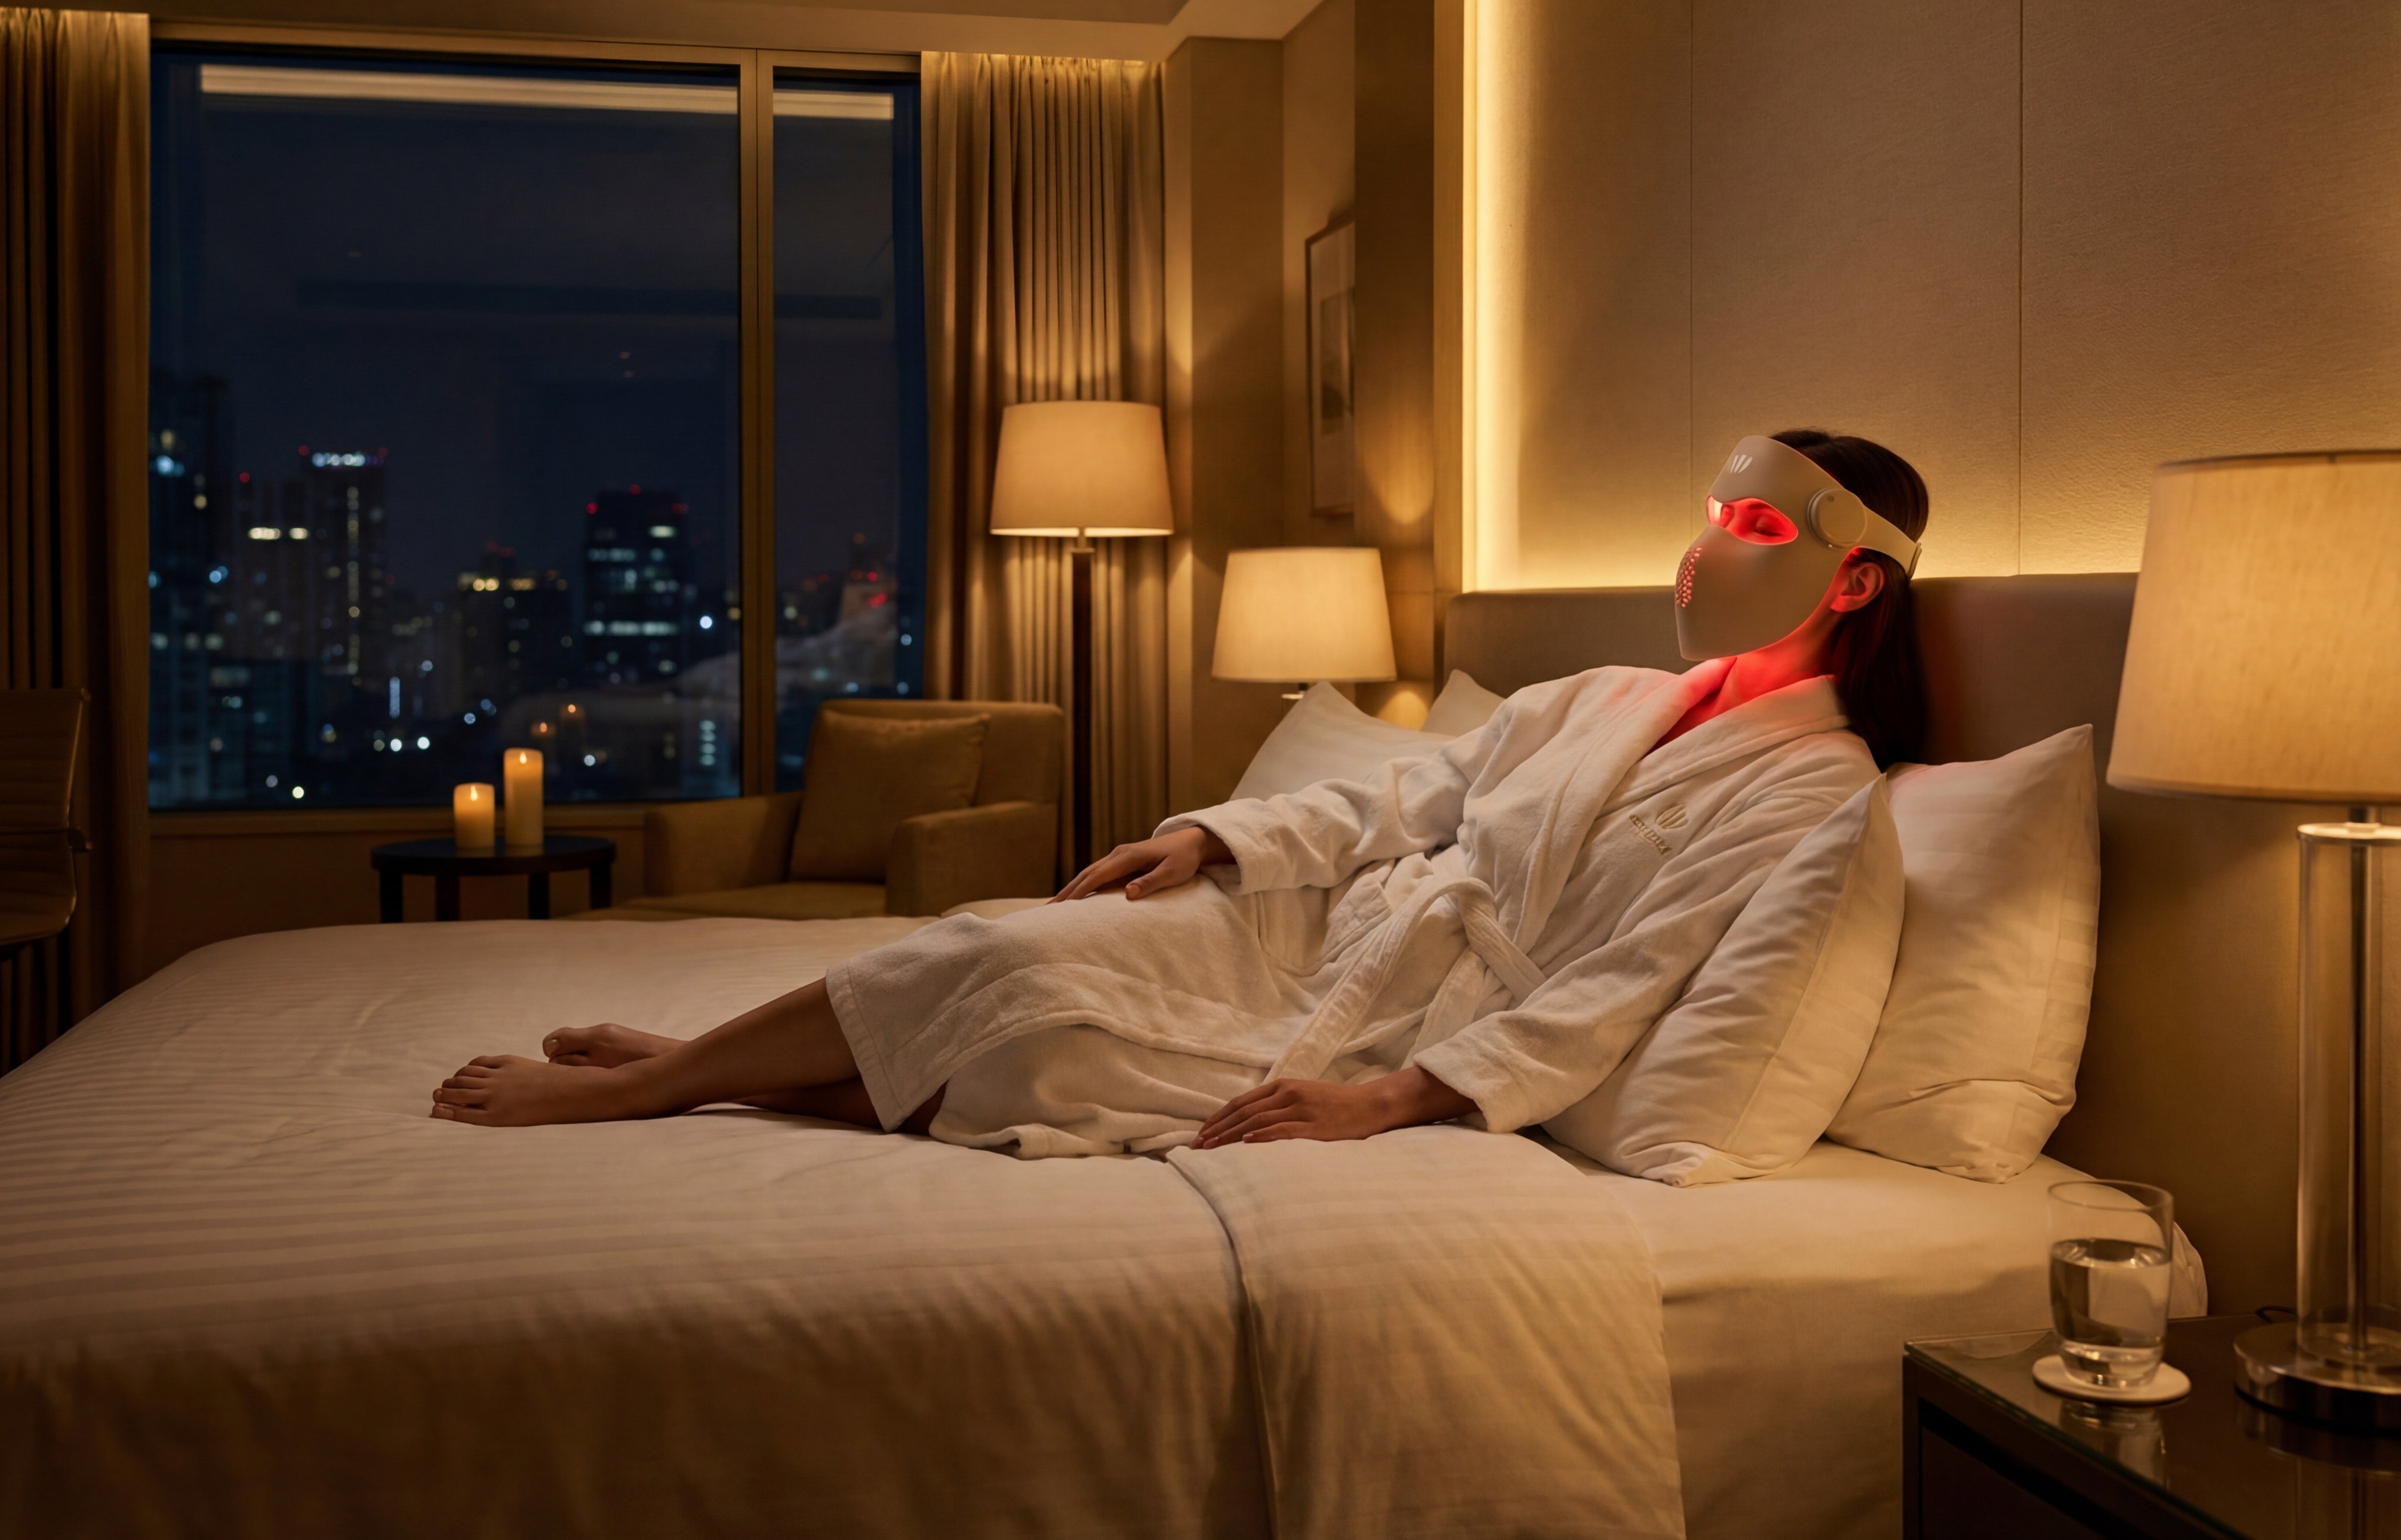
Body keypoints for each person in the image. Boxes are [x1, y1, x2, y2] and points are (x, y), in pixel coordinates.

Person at [430, 429, 1930, 1154]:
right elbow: (1407, 799)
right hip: (1308, 934)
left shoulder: (1811, 792)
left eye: (1747, 522)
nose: (1702, 552)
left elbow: (1631, 979)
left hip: (1416, 1016)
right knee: (1002, 946)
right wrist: (1206, 834)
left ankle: (722, 1064)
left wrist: (1394, 1098)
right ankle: (659, 1079)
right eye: (1707, 514)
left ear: (1850, 572)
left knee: (1047, 1075)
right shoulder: (1600, 698)